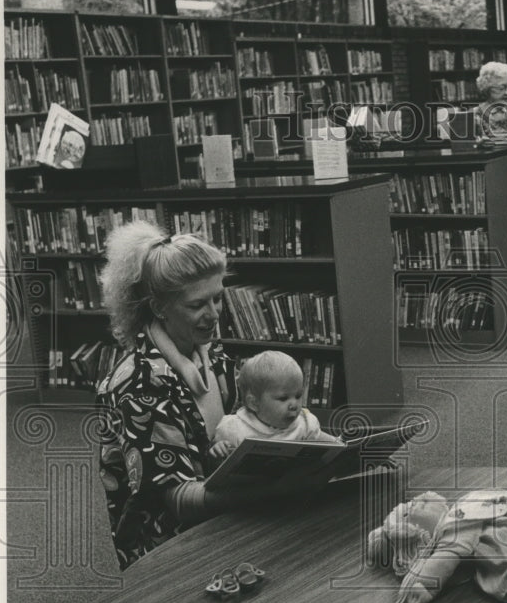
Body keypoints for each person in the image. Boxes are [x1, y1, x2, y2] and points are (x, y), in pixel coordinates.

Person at [96, 221, 329, 570]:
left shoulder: (210, 354)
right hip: (168, 546)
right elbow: (178, 500)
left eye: (218, 298)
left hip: (227, 505)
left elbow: (246, 425)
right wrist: (277, 489)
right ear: (159, 308)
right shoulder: (139, 386)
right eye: (197, 305)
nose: (214, 314)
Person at [210, 350, 342, 460]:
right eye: (283, 398)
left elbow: (330, 444)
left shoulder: (305, 423)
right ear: (254, 403)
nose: (294, 405)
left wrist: (341, 445)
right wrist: (219, 449)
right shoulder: (233, 428)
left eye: (298, 396)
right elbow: (215, 464)